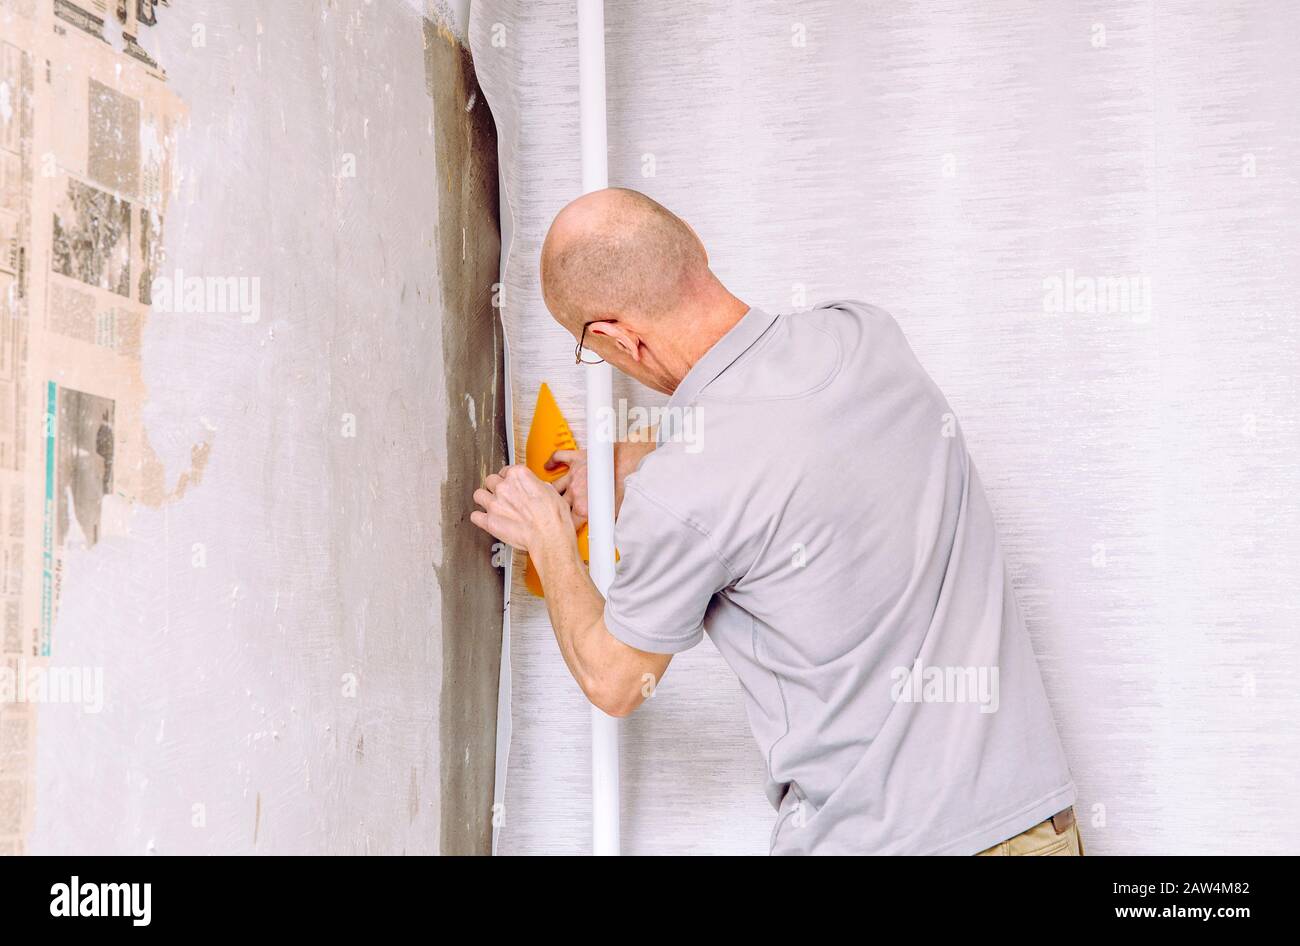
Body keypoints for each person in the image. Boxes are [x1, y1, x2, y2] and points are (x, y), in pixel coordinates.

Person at [470, 187, 1080, 855]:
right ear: (695, 248)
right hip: (1037, 825)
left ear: (616, 337)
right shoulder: (862, 333)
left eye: (590, 348)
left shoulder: (684, 493)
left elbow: (615, 680)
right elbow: (786, 439)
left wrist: (548, 536)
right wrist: (626, 463)